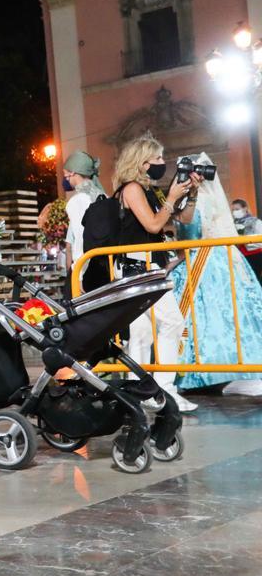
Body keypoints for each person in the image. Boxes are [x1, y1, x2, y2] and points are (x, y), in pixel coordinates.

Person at [111, 134, 201, 413]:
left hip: (150, 264)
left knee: (142, 331)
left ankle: (143, 392)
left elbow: (183, 218)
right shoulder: (131, 189)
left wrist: (191, 194)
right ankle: (161, 390)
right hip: (137, 265)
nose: (163, 163)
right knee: (168, 323)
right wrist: (172, 197)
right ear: (141, 161)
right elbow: (152, 225)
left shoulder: (152, 190)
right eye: (158, 158)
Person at [167, 154, 262, 397]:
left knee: (205, 317)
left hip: (201, 261)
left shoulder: (195, 200)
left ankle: (211, 372)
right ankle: (236, 369)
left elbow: (189, 234)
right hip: (216, 259)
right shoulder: (202, 198)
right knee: (227, 317)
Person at [60, 151, 106, 292]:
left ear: (73, 172)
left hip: (87, 272)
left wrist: (79, 276)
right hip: (104, 267)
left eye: (65, 175)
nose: (65, 179)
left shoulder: (78, 201)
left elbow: (81, 239)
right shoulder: (104, 195)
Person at [231, 199, 262, 283]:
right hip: (240, 255)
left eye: (237, 209)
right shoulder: (232, 223)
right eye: (233, 210)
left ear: (245, 208)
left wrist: (246, 240)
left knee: (255, 278)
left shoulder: (255, 222)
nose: (234, 212)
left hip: (255, 254)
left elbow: (260, 240)